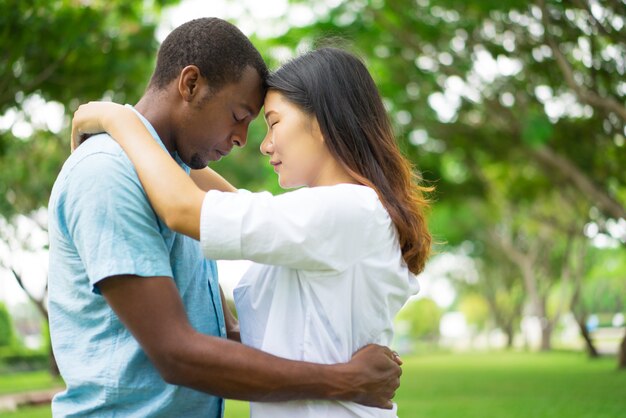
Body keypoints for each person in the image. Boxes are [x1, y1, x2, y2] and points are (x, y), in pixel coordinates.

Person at [48, 18, 401, 418]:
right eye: (240, 116)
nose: (249, 142)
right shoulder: (111, 174)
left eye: (268, 123)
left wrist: (117, 119)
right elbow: (181, 350)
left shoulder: (345, 209)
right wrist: (345, 379)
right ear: (191, 84)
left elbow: (193, 208)